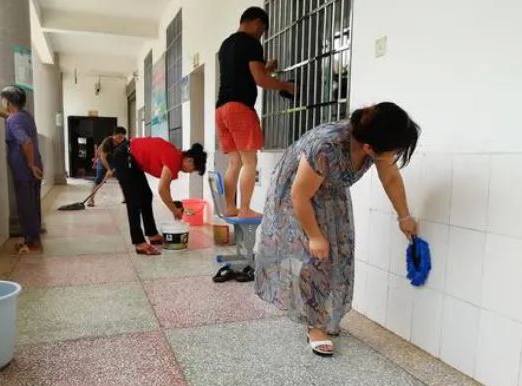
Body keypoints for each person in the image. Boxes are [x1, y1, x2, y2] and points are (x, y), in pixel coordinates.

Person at [254, 102, 420, 357]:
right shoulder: (326, 146)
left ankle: (323, 314)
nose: (394, 156)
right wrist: (315, 236)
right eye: (393, 151)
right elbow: (299, 195)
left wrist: (404, 216)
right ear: (369, 148)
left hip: (330, 190)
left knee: (338, 253)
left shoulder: (374, 138)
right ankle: (315, 325)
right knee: (315, 256)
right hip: (296, 194)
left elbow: (390, 177)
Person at [216, 6, 294, 219]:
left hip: (221, 109)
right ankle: (245, 209)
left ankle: (229, 207)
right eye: (262, 31)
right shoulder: (251, 43)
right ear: (257, 23)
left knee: (235, 163)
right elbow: (259, 79)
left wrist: (266, 68)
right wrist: (286, 86)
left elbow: (244, 74)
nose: (261, 35)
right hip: (239, 108)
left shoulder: (226, 45)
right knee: (250, 162)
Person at [112, 137, 207, 255]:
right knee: (134, 200)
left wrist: (173, 205)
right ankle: (139, 243)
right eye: (193, 169)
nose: (191, 172)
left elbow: (166, 188)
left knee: (146, 195)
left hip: (132, 158)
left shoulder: (176, 157)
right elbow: (162, 190)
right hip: (125, 156)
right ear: (189, 160)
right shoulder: (174, 158)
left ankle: (152, 234)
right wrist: (174, 210)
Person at [0, 86, 44, 254]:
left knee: (25, 207)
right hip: (36, 167)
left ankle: (31, 243)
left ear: (7, 101)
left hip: (25, 170)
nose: (2, 102)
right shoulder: (25, 116)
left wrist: (30, 165)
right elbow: (11, 118)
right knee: (33, 205)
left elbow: (26, 142)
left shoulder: (13, 120)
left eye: (3, 99)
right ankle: (33, 239)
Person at [88, 127, 127, 207]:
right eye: (119, 137)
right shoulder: (108, 142)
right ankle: (91, 200)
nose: (121, 139)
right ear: (114, 135)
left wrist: (115, 167)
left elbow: (123, 156)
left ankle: (125, 198)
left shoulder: (124, 142)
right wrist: (109, 169)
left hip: (115, 159)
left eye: (122, 137)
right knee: (99, 179)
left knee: (122, 178)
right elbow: (103, 157)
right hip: (103, 160)